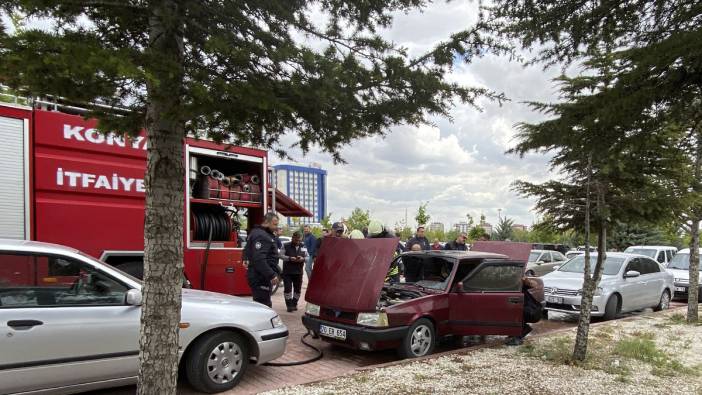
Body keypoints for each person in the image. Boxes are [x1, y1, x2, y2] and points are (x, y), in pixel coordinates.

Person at [244, 212, 281, 308]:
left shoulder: (256, 232)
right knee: (264, 306)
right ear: (267, 222)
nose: (276, 227)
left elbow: (247, 249)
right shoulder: (262, 235)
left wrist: (245, 258)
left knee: (261, 304)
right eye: (275, 224)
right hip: (260, 277)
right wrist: (272, 275)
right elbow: (259, 259)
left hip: (259, 275)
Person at [506, 276, 541, 346]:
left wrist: (526, 280)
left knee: (517, 315)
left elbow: (534, 285)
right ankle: (516, 334)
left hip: (531, 309)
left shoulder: (521, 281)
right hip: (520, 306)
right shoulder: (508, 282)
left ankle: (518, 336)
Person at [282, 232, 306, 312]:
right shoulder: (286, 245)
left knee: (297, 290)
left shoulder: (303, 246)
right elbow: (280, 255)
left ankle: (294, 303)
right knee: (288, 289)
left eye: (299, 240)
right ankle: (289, 305)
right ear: (292, 238)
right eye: (296, 240)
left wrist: (303, 259)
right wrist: (289, 258)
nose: (297, 242)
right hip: (287, 272)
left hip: (298, 272)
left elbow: (308, 257)